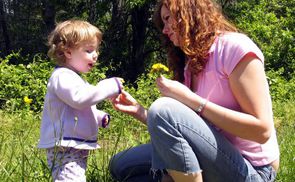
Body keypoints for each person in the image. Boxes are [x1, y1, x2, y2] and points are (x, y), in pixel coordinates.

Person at [109, 0, 280, 181]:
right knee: (121, 166)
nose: (165, 30)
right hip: (211, 156)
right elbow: (188, 129)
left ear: (189, 13)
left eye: (168, 19)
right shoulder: (190, 64)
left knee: (163, 109)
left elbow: (262, 131)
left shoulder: (235, 48)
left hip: (251, 170)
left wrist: (191, 100)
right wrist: (140, 111)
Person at [37, 19, 123, 181]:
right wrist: (107, 86)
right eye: (89, 50)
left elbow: (78, 107)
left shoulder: (74, 78)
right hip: (64, 147)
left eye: (96, 50)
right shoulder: (62, 76)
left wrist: (98, 117)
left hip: (73, 146)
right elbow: (80, 99)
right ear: (68, 52)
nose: (95, 55)